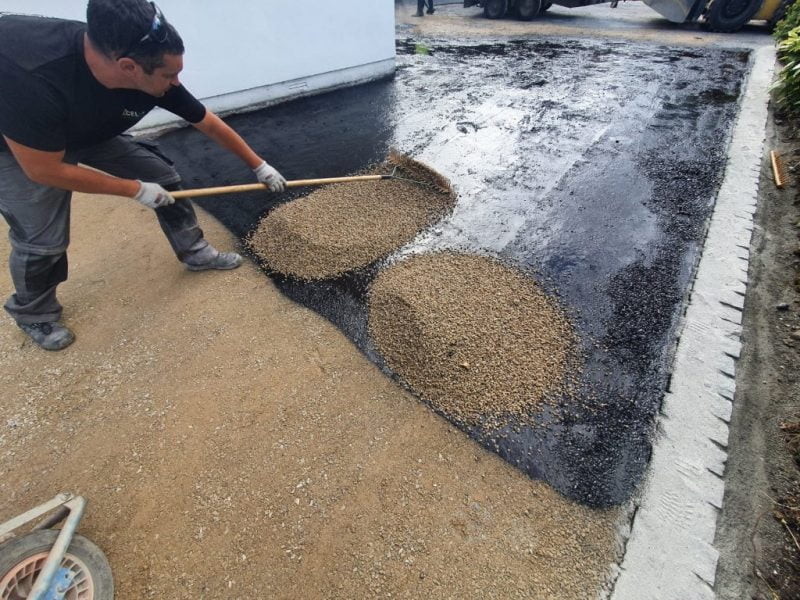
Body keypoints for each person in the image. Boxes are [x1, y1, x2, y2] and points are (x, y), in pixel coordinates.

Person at [0, 0, 287, 351]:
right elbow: (43, 169)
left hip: (87, 128)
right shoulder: (29, 75)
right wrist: (133, 190)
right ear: (128, 67)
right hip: (20, 148)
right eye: (169, 76)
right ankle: (34, 313)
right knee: (42, 239)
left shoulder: (147, 68)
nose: (176, 83)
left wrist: (258, 164)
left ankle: (194, 251)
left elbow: (206, 121)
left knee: (162, 175)